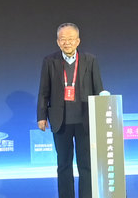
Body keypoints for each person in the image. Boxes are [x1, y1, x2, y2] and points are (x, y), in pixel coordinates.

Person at [38, 23, 104, 198]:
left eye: (70, 39)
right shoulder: (49, 61)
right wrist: (41, 116)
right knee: (63, 165)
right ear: (58, 42)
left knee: (86, 165)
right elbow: (44, 91)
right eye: (63, 39)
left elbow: (98, 88)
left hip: (85, 120)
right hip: (61, 120)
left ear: (78, 41)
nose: (66, 42)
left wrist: (100, 116)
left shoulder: (90, 60)